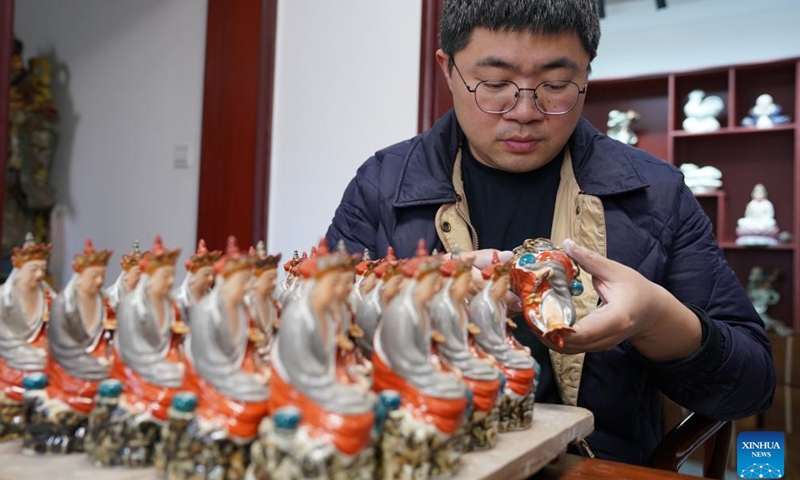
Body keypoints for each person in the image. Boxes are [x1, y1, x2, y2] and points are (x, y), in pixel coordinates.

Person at [325, 0, 776, 465]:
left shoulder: (655, 193)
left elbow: (750, 387)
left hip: (595, 464)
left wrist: (658, 321)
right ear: (448, 68)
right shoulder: (381, 185)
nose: (524, 111)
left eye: (556, 86)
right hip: (423, 457)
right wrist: (404, 300)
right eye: (495, 84)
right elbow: (314, 351)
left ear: (586, 75)